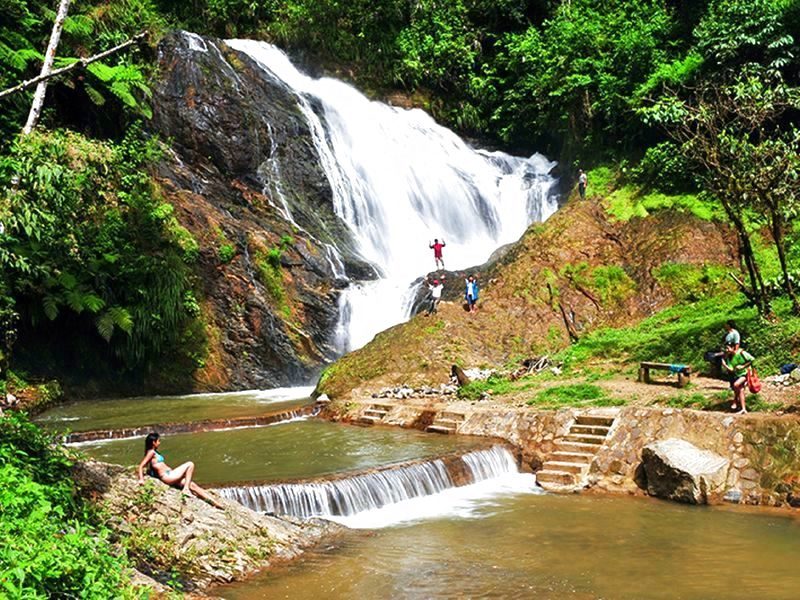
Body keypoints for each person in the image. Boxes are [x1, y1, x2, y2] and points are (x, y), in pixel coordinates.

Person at [137, 432, 224, 508]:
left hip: (170, 475)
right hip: (168, 476)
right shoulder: (151, 452)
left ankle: (214, 503)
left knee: (192, 485)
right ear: (153, 442)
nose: (159, 443)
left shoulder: (155, 452)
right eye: (158, 441)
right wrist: (141, 479)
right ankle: (186, 489)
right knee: (190, 464)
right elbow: (141, 466)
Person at [721, 345, 754, 414]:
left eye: (728, 348)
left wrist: (743, 366)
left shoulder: (742, 352)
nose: (727, 350)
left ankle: (735, 400)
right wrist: (725, 365)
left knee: (736, 385)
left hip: (746, 373)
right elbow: (731, 369)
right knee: (740, 390)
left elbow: (752, 359)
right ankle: (743, 409)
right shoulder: (729, 358)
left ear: (733, 347)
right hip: (738, 375)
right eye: (726, 349)